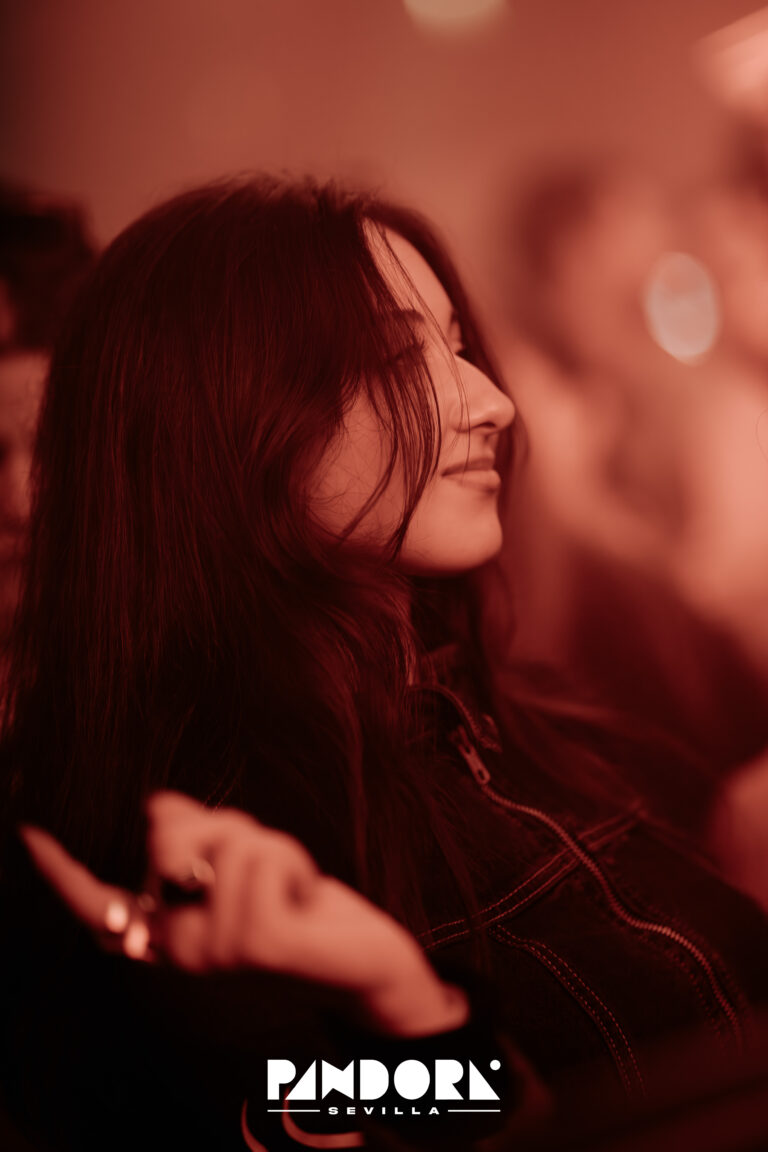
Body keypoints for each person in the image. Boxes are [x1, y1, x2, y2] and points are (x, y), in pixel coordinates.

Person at [2, 177, 768, 1152]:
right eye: (400, 358)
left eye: (456, 347)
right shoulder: (205, 856)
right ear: (226, 416)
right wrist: (408, 1014)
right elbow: (267, 1118)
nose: (491, 402)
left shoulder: (510, 724)